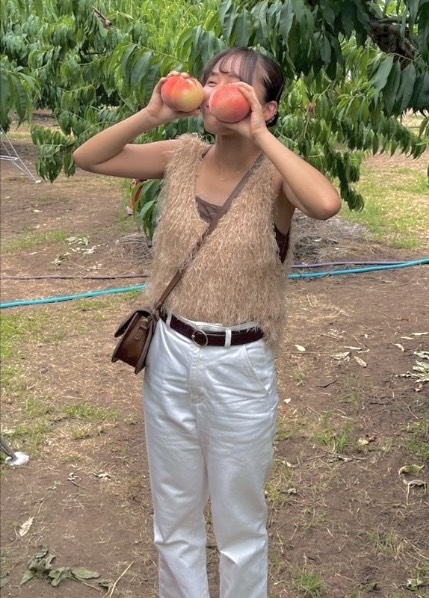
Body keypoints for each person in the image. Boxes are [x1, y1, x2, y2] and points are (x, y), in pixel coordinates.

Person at [73, 47, 341, 598]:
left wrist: (260, 135)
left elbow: (325, 203)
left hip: (240, 365)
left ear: (268, 108)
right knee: (174, 515)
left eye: (238, 84)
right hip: (169, 353)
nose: (218, 89)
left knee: (241, 524)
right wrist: (152, 114)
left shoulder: (276, 179)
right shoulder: (181, 155)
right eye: (213, 79)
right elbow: (88, 158)